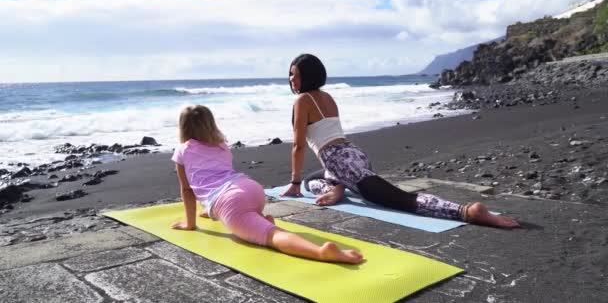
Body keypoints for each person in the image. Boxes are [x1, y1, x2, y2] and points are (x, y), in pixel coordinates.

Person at [280, 54, 519, 228]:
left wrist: (293, 182)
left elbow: (299, 145)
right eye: (290, 74)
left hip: (341, 163)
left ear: (308, 77)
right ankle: (338, 187)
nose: (292, 79)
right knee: (312, 180)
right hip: (353, 155)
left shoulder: (301, 101)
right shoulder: (328, 97)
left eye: (296, 75)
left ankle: (467, 211)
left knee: (401, 199)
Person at [171, 104, 364, 264]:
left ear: (183, 128)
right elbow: (219, 175)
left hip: (231, 200)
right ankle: (257, 219)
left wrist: (190, 224)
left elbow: (188, 189)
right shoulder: (221, 145)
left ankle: (321, 252)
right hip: (250, 188)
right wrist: (211, 208)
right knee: (244, 214)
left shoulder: (182, 150)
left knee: (273, 237)